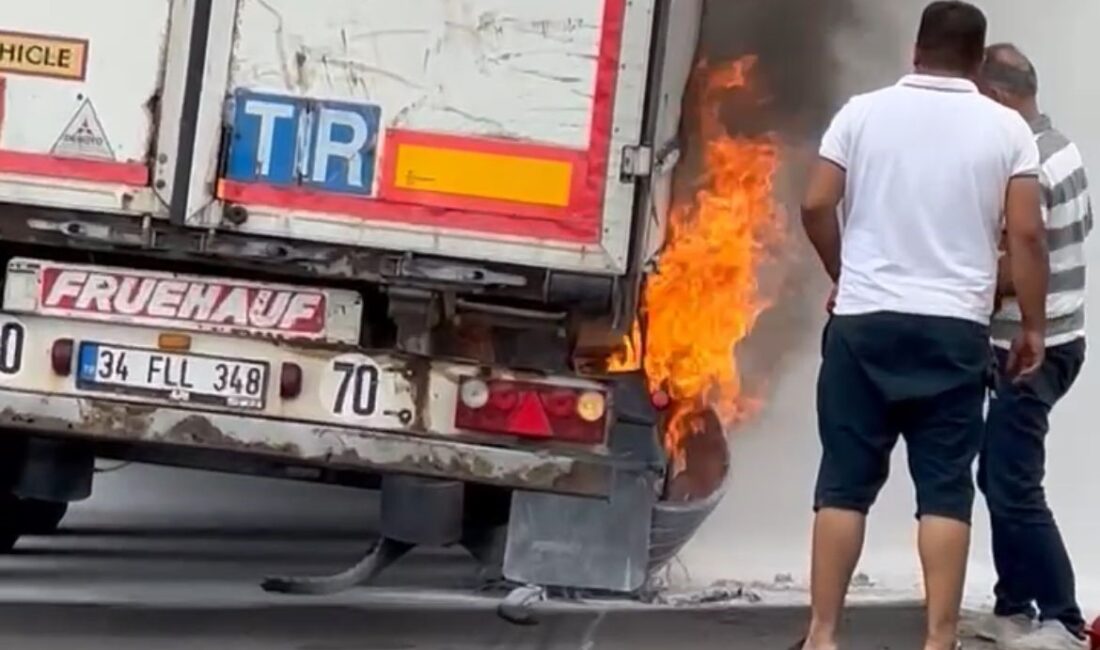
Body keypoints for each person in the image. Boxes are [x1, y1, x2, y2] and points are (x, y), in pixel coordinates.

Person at [797, 3, 1050, 650]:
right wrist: (1034, 329)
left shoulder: (861, 112)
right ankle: (939, 641)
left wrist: (843, 273)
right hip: (953, 332)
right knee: (944, 490)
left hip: (863, 324)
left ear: (916, 48)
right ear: (977, 59)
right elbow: (1025, 234)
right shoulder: (1007, 131)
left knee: (844, 484)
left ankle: (823, 635)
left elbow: (816, 202)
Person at [976, 43, 1093, 650]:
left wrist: (964, 278)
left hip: (1032, 347)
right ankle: (1013, 606)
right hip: (1059, 338)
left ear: (997, 98)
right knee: (995, 476)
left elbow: (1024, 258)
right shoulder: (1062, 147)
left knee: (1014, 481)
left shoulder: (1031, 166)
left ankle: (1064, 619)